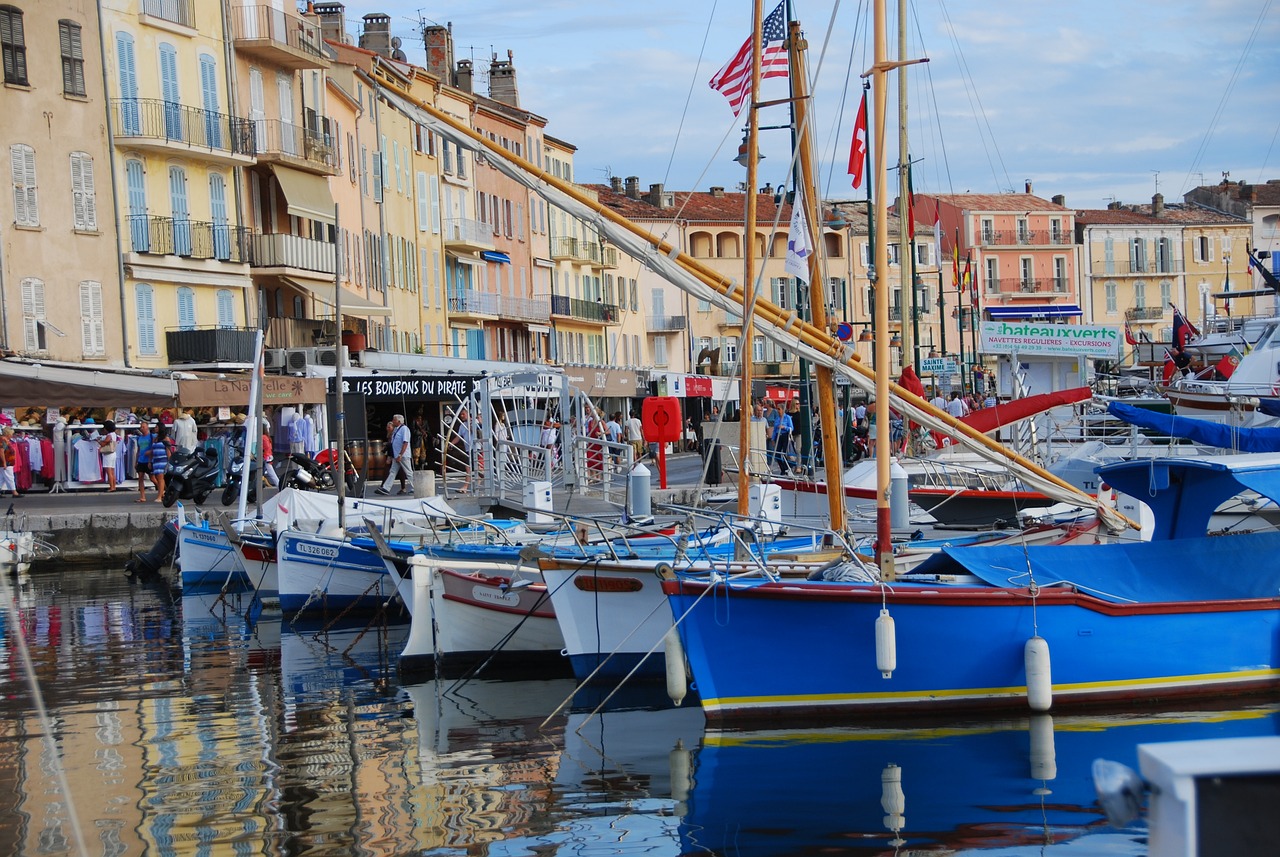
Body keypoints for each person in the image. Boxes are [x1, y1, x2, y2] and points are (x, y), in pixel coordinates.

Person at [376, 414, 412, 495]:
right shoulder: (396, 429)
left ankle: (415, 487)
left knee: (408, 472)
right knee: (393, 471)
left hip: (402, 455)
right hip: (396, 455)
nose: (393, 421)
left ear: (398, 421)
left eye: (394, 420)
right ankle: (386, 488)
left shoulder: (404, 429)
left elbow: (405, 442)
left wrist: (400, 454)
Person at [149, 425, 171, 501]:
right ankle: (165, 492)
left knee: (160, 477)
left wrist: (169, 461)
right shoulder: (155, 439)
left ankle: (159, 497)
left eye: (157, 427)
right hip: (155, 460)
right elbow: (152, 451)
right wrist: (150, 461)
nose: (155, 428)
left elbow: (168, 451)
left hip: (163, 460)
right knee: (157, 478)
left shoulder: (166, 438)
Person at [771, 403, 794, 475]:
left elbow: (791, 428)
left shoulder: (787, 418)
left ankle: (787, 468)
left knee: (784, 453)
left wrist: (784, 427)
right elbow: (775, 429)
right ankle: (782, 468)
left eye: (779, 409)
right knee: (777, 454)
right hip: (778, 435)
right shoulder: (777, 419)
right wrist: (773, 438)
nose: (778, 411)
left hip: (785, 435)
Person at [134, 421, 154, 502]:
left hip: (148, 460)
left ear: (147, 427)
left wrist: (150, 460)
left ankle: (162, 491)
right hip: (141, 460)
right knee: (140, 478)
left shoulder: (151, 437)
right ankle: (142, 496)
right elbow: (138, 450)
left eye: (143, 427)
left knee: (152, 478)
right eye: (141, 427)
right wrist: (136, 461)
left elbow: (153, 449)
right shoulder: (140, 438)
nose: (141, 428)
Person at [98, 419, 119, 492]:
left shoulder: (109, 435)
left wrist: (98, 440)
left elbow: (103, 444)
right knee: (112, 472)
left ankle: (111, 487)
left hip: (108, 454)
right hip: (113, 453)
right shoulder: (114, 435)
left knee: (109, 472)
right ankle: (114, 486)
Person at [0, 428, 15, 498]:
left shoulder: (4, 440)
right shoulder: (3, 440)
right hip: (7, 463)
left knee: (2, 478)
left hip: (6, 462)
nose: (12, 435)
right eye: (11, 434)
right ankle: (14, 492)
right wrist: (4, 463)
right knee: (10, 477)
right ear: (8, 434)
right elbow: (1, 451)